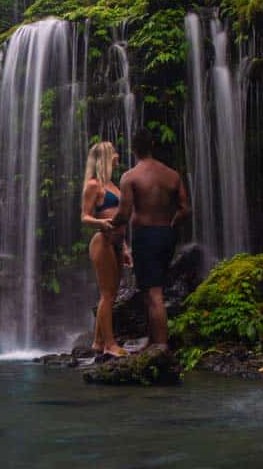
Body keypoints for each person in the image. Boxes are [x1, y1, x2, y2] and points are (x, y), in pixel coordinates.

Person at [111, 128, 189, 351]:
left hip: (145, 235)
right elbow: (185, 209)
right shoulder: (172, 175)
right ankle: (152, 339)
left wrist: (107, 224)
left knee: (153, 292)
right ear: (152, 145)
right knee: (150, 289)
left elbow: (124, 213)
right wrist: (172, 224)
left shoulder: (130, 177)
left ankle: (161, 344)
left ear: (133, 149)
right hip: (167, 234)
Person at [80, 141, 131, 357]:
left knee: (112, 293)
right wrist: (100, 223)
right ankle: (110, 344)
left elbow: (120, 220)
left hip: (117, 242)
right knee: (107, 294)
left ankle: (98, 342)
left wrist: (125, 247)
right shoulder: (94, 185)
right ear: (106, 157)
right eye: (114, 151)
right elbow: (84, 216)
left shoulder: (113, 185)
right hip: (103, 240)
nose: (118, 154)